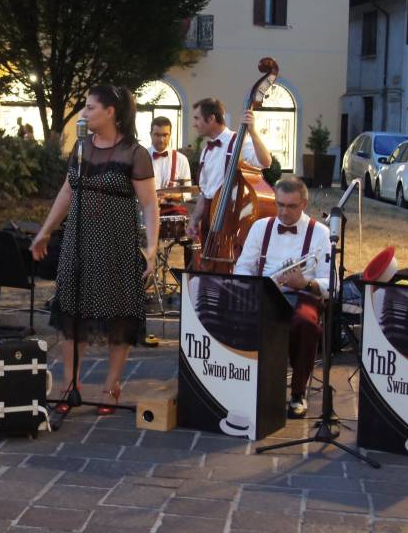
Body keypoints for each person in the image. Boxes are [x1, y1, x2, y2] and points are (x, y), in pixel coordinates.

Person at [31, 84, 158, 415]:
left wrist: (153, 247)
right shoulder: (82, 148)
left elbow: (150, 205)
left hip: (116, 243)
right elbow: (67, 192)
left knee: (118, 315)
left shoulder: (135, 152)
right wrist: (45, 231)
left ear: (110, 112)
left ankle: (111, 387)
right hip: (78, 240)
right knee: (72, 311)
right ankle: (70, 383)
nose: (84, 113)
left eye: (89, 107)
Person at [233, 175, 330, 418]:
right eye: (280, 205)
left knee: (306, 323)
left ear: (304, 205)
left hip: (302, 295)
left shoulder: (320, 233)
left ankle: (298, 392)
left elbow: (332, 283)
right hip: (266, 292)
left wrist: (306, 282)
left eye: (291, 206)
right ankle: (245, 384)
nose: (284, 212)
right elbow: (242, 268)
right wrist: (258, 286)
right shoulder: (260, 227)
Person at [185, 98, 272, 241]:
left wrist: (253, 132)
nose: (194, 124)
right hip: (209, 216)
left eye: (197, 118)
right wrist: (194, 219)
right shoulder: (206, 150)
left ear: (211, 118)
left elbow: (265, 161)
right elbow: (205, 193)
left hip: (231, 216)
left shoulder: (240, 141)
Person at [148, 116, 192, 209]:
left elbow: (187, 194)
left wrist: (170, 196)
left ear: (170, 135)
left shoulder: (181, 159)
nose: (161, 139)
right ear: (150, 134)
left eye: (165, 135)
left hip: (172, 212)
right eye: (157, 135)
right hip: (146, 211)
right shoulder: (141, 157)